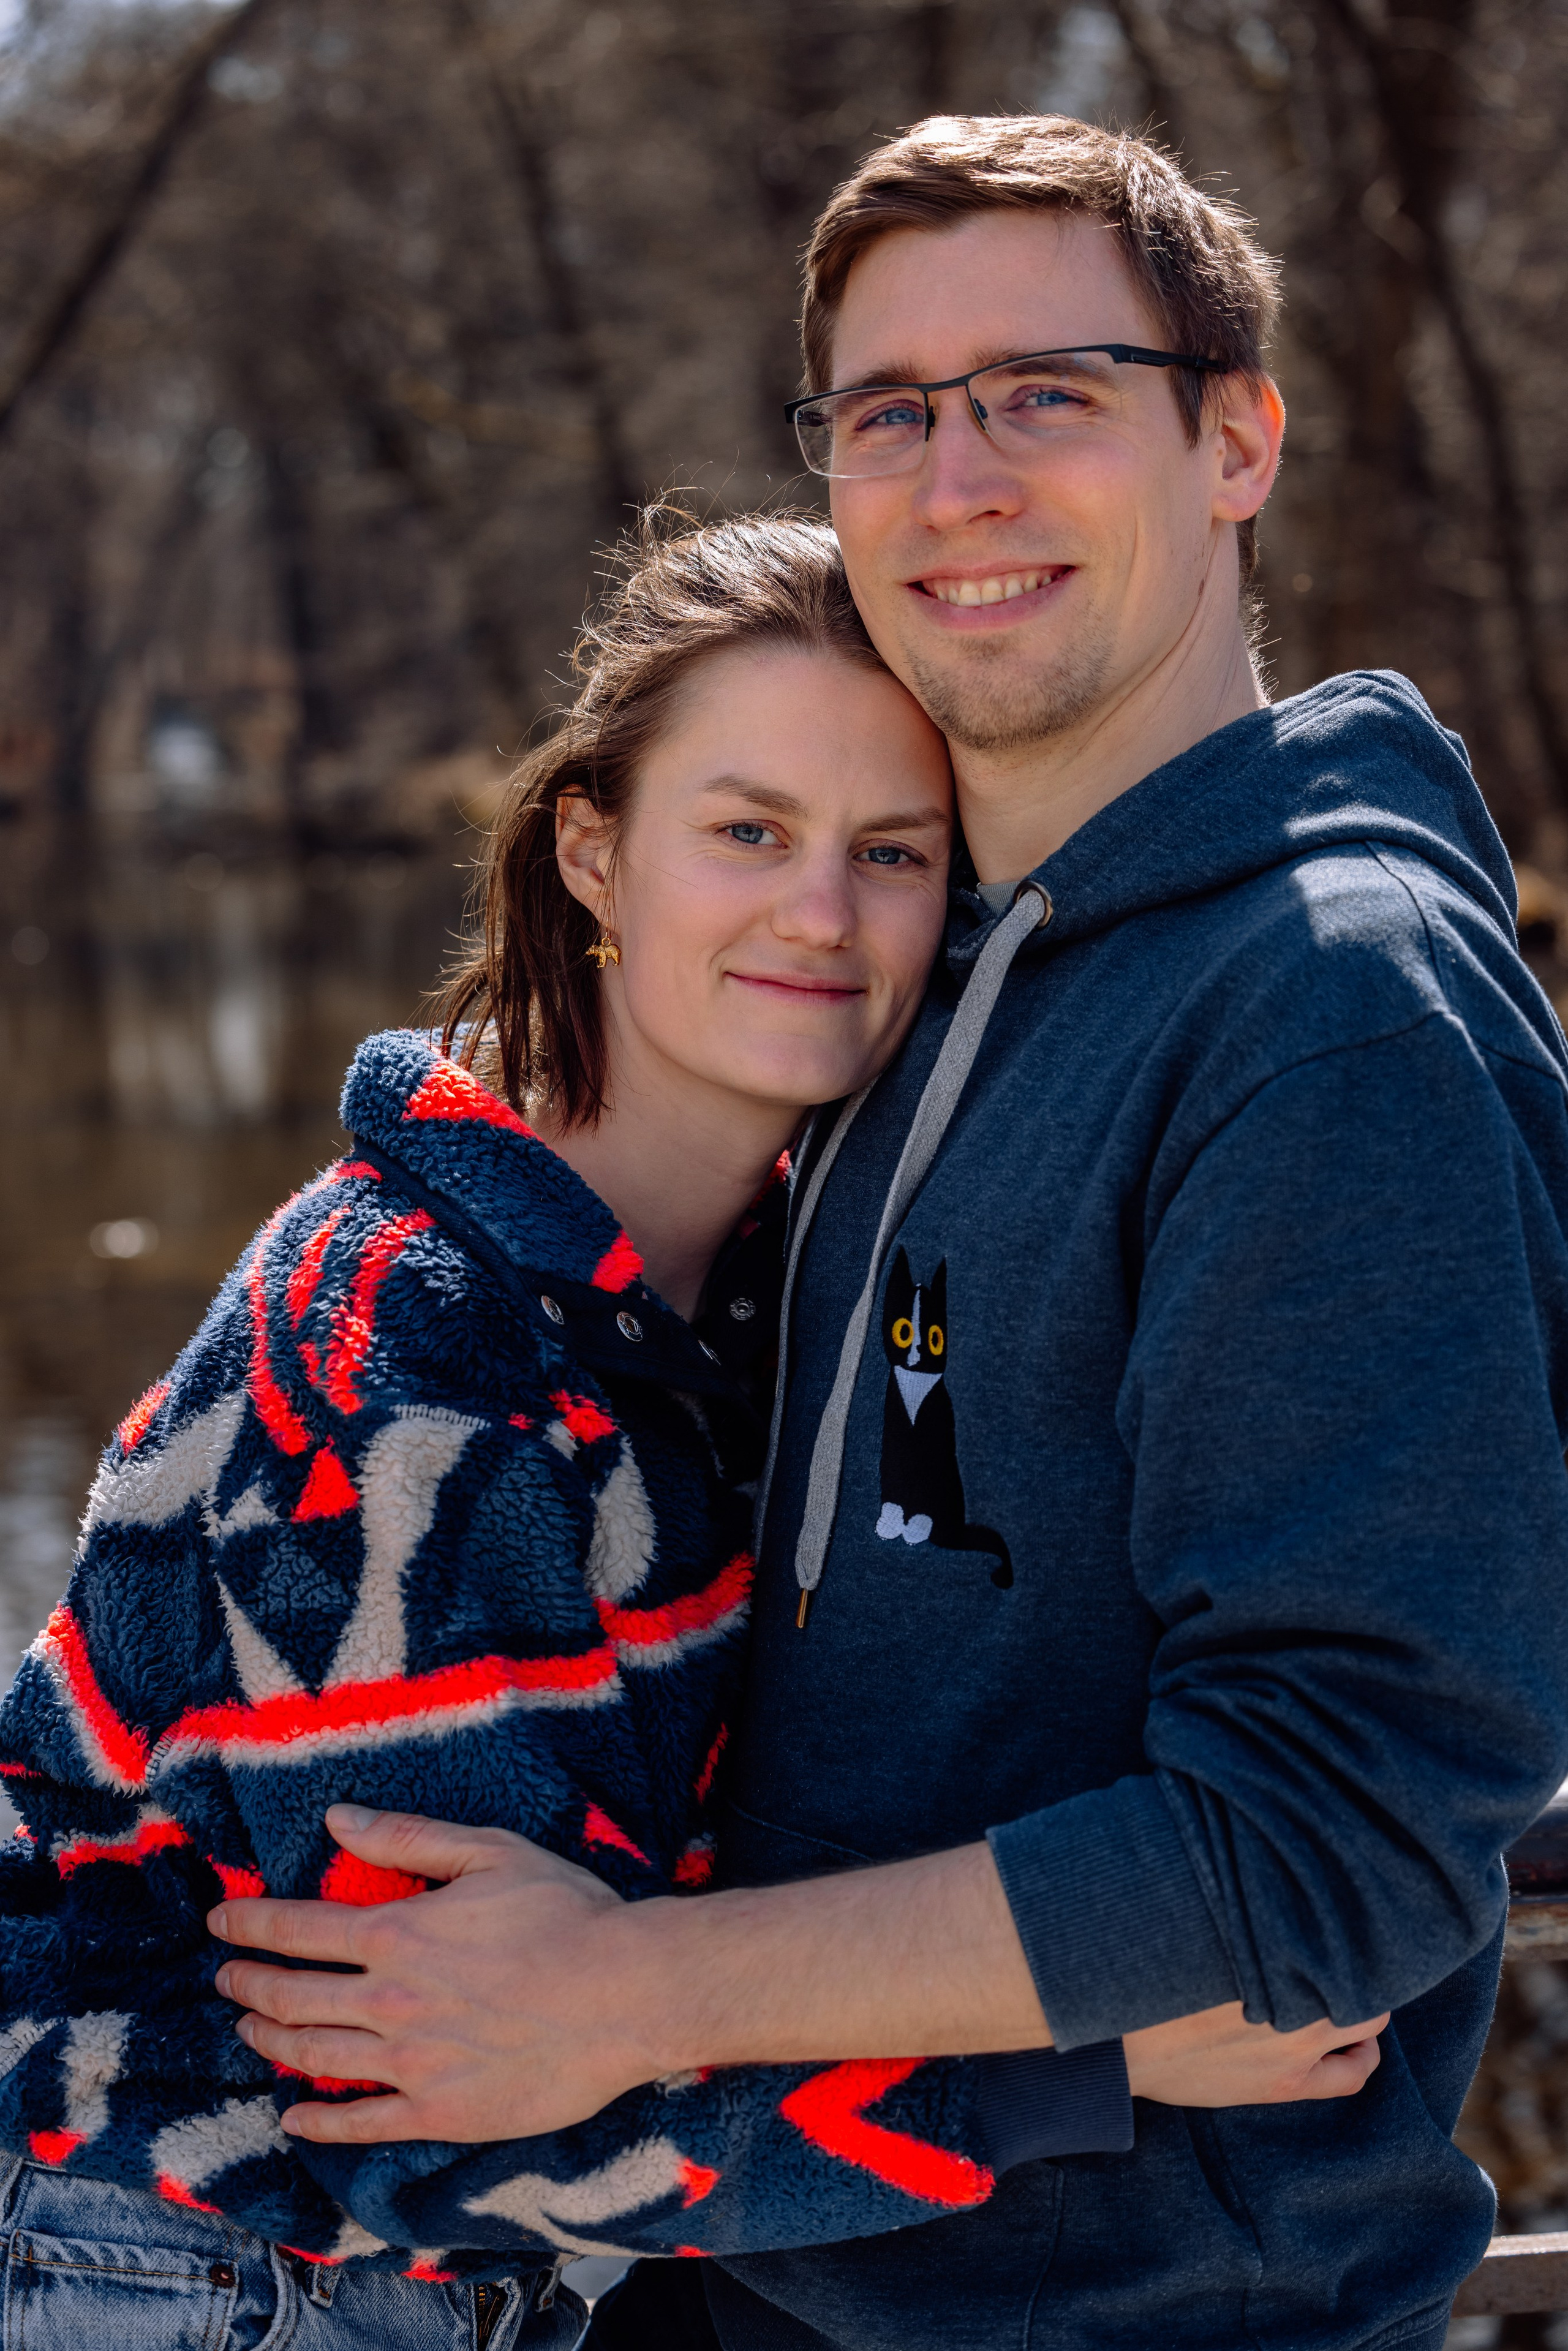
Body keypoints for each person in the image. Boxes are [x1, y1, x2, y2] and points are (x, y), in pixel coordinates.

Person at [215, 114, 1568, 2350]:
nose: (959, 480)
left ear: (1236, 440)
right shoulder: (926, 970)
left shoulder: (1326, 1016)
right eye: (890, 412)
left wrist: (630, 1993)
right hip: (753, 2264)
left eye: (1050, 391)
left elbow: (1335, 1848)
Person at [0, 513, 1187, 2349]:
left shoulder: (773, 1288)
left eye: (893, 852)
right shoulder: (410, 1346)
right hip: (167, 2256)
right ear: (592, 854)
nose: (821, 912)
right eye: (748, 833)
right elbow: (443, 2111)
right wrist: (1078, 2053)